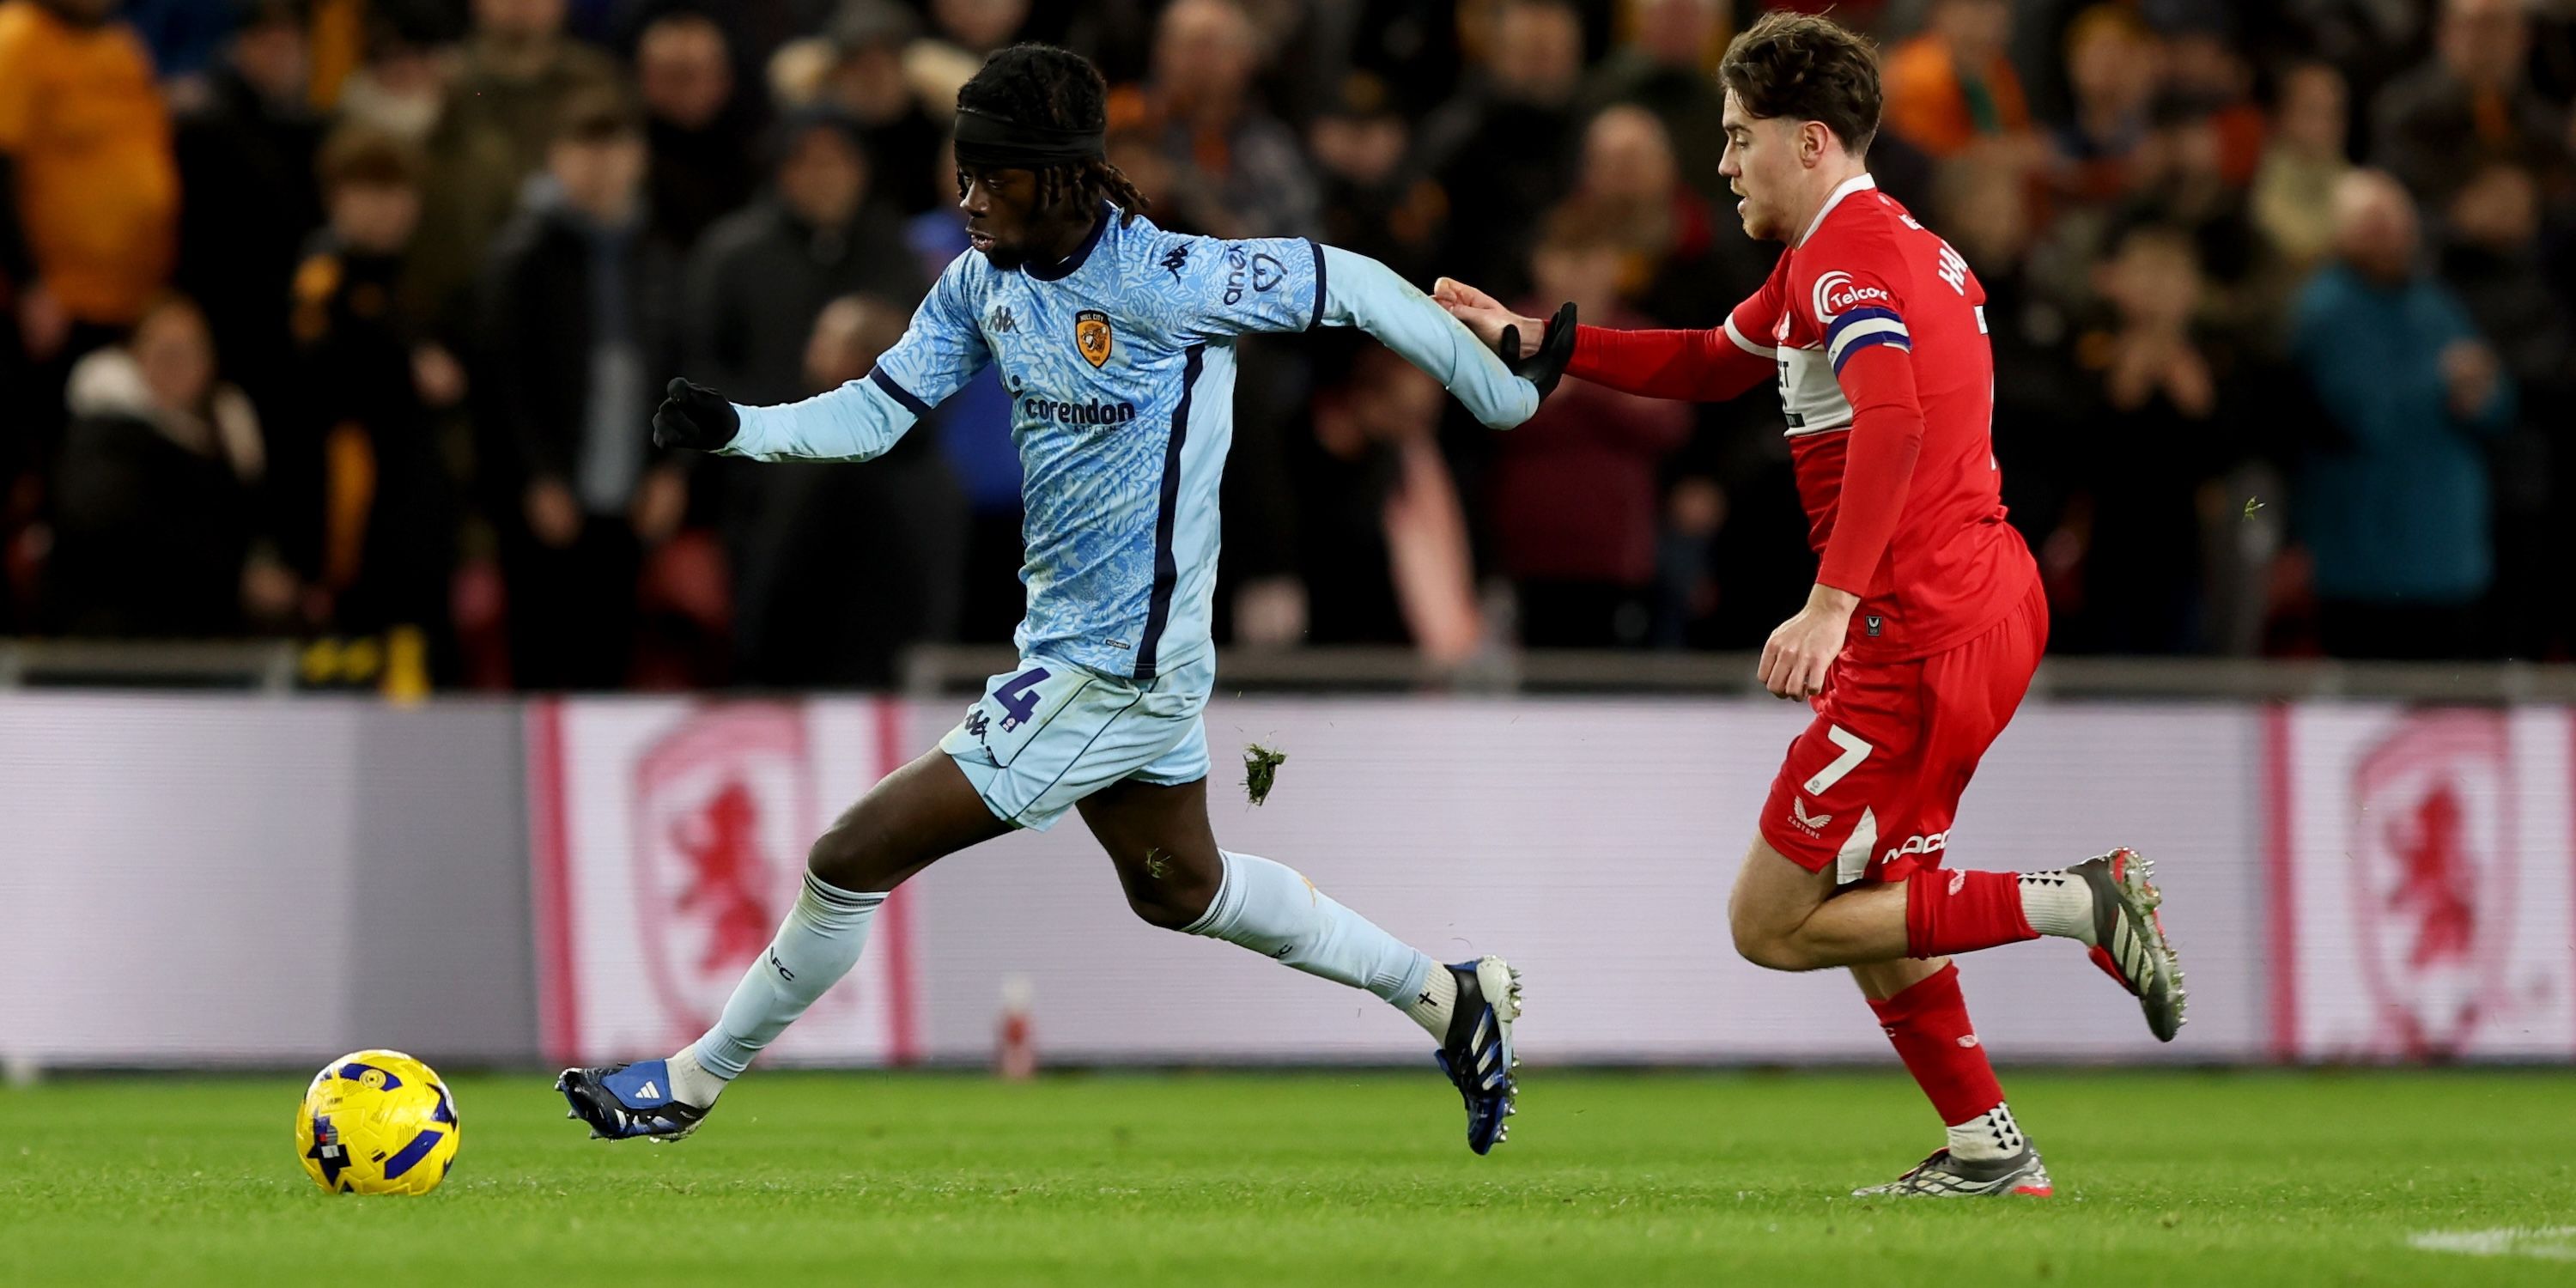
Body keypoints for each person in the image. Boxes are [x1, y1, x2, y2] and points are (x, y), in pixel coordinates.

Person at [557, 42, 1573, 1157]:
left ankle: (691, 1084)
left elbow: (1359, 285)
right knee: (1181, 887)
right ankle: (1448, 995)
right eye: (963, 175)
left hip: (1116, 673)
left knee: (852, 853)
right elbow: (879, 412)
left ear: (1064, 175)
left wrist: (1501, 396)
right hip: (1077, 653)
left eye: (994, 178)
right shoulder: (980, 281)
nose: (970, 200)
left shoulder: (1173, 281)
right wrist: (743, 429)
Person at [1435, 12, 2180, 1197]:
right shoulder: (1878, 248)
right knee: (1872, 899)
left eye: (1740, 138)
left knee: (1770, 920)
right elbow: (1709, 362)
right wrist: (1542, 339)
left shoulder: (1847, 263)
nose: (1723, 163)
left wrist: (1831, 602)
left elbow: (1891, 414)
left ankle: (2080, 901)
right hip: (1982, 601)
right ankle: (1990, 1148)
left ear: (1813, 141)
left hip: (1912, 625)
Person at [2287, 170, 2512, 660]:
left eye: (2398, 219)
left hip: (2452, 561)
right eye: (2373, 220)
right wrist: (2444, 385)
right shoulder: (2325, 312)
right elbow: (2361, 416)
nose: (2390, 233)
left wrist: (2481, 393)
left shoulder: (2437, 303)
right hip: (2365, 565)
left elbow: (2497, 406)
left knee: (2452, 724)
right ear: (2339, 231)